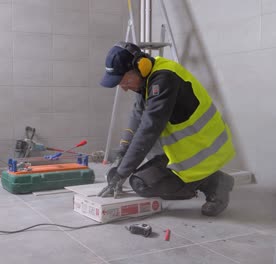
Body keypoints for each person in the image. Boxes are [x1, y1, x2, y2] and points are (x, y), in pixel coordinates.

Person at [97, 42, 236, 216]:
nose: (123, 88)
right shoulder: (147, 80)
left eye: (124, 81)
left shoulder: (165, 79)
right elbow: (137, 118)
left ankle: (214, 183)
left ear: (141, 66)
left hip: (202, 150)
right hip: (184, 151)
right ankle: (205, 180)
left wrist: (122, 172)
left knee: (142, 183)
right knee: (140, 176)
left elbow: (148, 129)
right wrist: (122, 155)